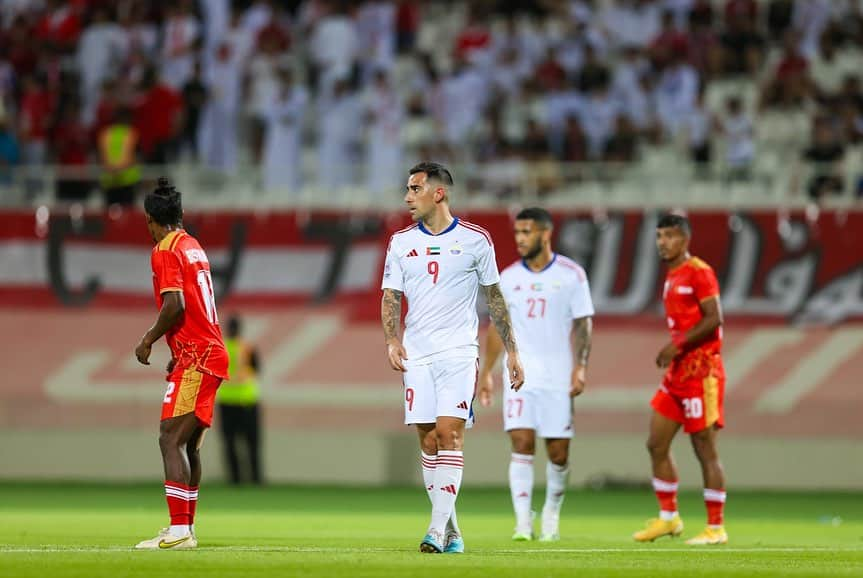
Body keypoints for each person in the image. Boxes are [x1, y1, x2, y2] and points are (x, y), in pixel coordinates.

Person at [381, 161, 524, 554]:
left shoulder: (477, 240)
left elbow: (495, 297)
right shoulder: (401, 242)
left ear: (437, 193)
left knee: (450, 434)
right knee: (428, 440)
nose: (407, 197)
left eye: (414, 189)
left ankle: (434, 529)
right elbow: (391, 296)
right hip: (418, 354)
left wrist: (512, 352)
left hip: (460, 351)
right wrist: (392, 341)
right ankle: (453, 533)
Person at [478, 207, 594, 542]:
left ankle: (552, 514)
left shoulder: (572, 274)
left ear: (545, 234)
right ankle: (523, 522)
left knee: (558, 453)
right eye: (517, 233)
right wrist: (486, 371)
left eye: (526, 232)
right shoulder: (509, 277)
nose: (520, 239)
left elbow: (584, 322)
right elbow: (498, 327)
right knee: (522, 443)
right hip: (520, 376)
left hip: (557, 376)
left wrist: (581, 365)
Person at [133, 177, 229, 550]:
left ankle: (179, 530)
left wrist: (147, 340)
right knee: (187, 444)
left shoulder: (164, 249)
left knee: (170, 437)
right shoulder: (193, 246)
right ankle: (184, 527)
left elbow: (176, 305)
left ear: (152, 221)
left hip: (199, 357)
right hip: (206, 352)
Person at [633, 213, 728, 546]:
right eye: (659, 236)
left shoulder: (699, 272)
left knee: (704, 448)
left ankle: (716, 527)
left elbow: (715, 318)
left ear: (685, 239)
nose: (663, 242)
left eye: (669, 236)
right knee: (656, 443)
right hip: (677, 374)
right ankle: (668, 518)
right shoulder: (672, 275)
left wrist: (677, 345)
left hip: (702, 372)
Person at [216, 314, 263, 485]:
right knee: (252, 444)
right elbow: (257, 370)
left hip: (226, 400)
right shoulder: (247, 347)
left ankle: (234, 480)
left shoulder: (220, 348)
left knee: (229, 443)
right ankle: (256, 479)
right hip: (247, 400)